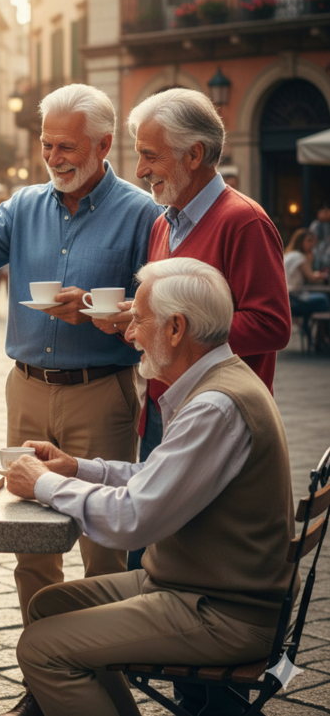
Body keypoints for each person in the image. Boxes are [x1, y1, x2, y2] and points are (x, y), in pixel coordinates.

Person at [0, 85, 162, 716]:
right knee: (31, 545)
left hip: (102, 393)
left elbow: (156, 311)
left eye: (67, 146)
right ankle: (45, 682)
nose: (54, 157)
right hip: (27, 387)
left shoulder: (142, 214)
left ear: (104, 145)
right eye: (47, 145)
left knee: (104, 549)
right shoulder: (25, 204)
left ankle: (100, 684)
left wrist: (100, 313)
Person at [6, 257, 296, 716]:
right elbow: (158, 479)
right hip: (194, 586)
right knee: (49, 606)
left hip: (220, 611)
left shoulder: (215, 407)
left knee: (41, 648)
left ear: (177, 328)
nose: (129, 333)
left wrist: (43, 484)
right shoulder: (215, 384)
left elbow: (131, 520)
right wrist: (75, 468)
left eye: (138, 320)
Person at [94, 89, 291, 589]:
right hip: (163, 411)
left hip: (213, 422)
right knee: (148, 561)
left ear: (194, 155)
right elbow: (169, 319)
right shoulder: (165, 221)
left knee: (176, 565)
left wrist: (178, 329)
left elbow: (272, 324)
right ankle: (145, 653)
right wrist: (136, 320)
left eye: (150, 155)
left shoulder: (243, 221)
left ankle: (169, 652)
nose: (140, 170)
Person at [284, 227, 329, 346]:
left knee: (321, 299)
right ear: (300, 241)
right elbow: (311, 278)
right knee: (324, 300)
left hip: (286, 298)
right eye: (309, 241)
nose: (312, 244)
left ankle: (312, 332)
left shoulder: (288, 255)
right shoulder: (300, 257)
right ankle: (321, 336)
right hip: (294, 299)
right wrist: (320, 275)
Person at [309, 202, 330, 272]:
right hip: (319, 251)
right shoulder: (316, 225)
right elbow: (314, 240)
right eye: (324, 211)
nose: (326, 213)